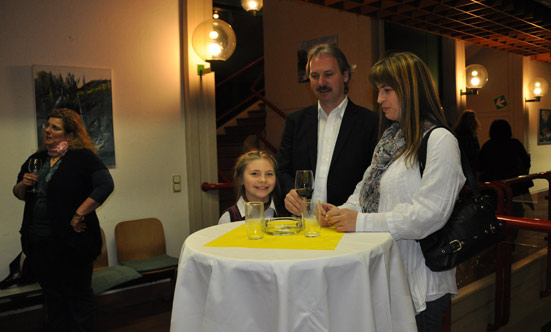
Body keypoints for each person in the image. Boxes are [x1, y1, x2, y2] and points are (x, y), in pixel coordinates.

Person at [323, 52, 466, 332]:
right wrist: (340, 211)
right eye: (379, 91)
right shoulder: (390, 139)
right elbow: (364, 191)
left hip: (420, 285)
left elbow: (427, 216)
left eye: (386, 90)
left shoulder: (440, 141)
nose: (379, 99)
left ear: (410, 90)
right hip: (385, 276)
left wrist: (359, 222)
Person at [13, 108, 114, 331]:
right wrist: (23, 184)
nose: (48, 130)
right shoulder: (36, 159)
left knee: (78, 297)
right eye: (46, 125)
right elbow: (19, 193)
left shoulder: (83, 158)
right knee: (53, 298)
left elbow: (106, 185)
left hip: (73, 243)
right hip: (39, 243)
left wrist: (79, 213)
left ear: (69, 135)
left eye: (55, 127)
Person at [277, 43, 379, 216]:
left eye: (328, 75)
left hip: (347, 223)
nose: (321, 82)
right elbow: (282, 170)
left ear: (345, 75)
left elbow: (374, 177)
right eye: (314, 76)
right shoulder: (295, 121)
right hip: (302, 222)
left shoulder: (370, 122)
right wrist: (289, 192)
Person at [478, 119, 533, 216]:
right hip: (514, 185)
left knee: (495, 211)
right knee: (515, 211)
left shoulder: (487, 146)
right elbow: (526, 162)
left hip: (493, 186)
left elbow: (480, 166)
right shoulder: (515, 144)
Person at [219, 150, 286, 223]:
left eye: (269, 174)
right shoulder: (229, 219)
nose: (263, 180)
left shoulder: (287, 213)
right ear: (241, 179)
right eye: (254, 173)